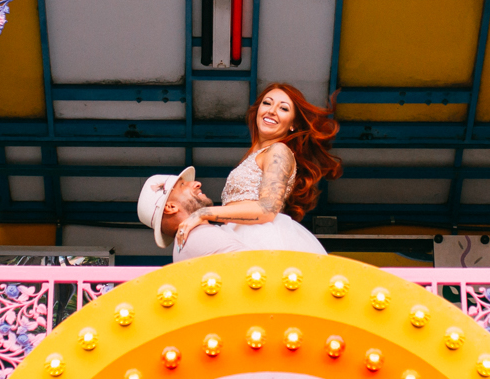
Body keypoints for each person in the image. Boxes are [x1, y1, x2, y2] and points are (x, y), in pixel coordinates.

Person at [135, 83, 342, 258]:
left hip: (265, 237)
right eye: (267, 103)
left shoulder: (278, 151)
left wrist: (204, 213)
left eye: (283, 108)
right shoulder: (254, 156)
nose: (272, 110)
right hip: (240, 234)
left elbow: (267, 209)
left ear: (293, 124)